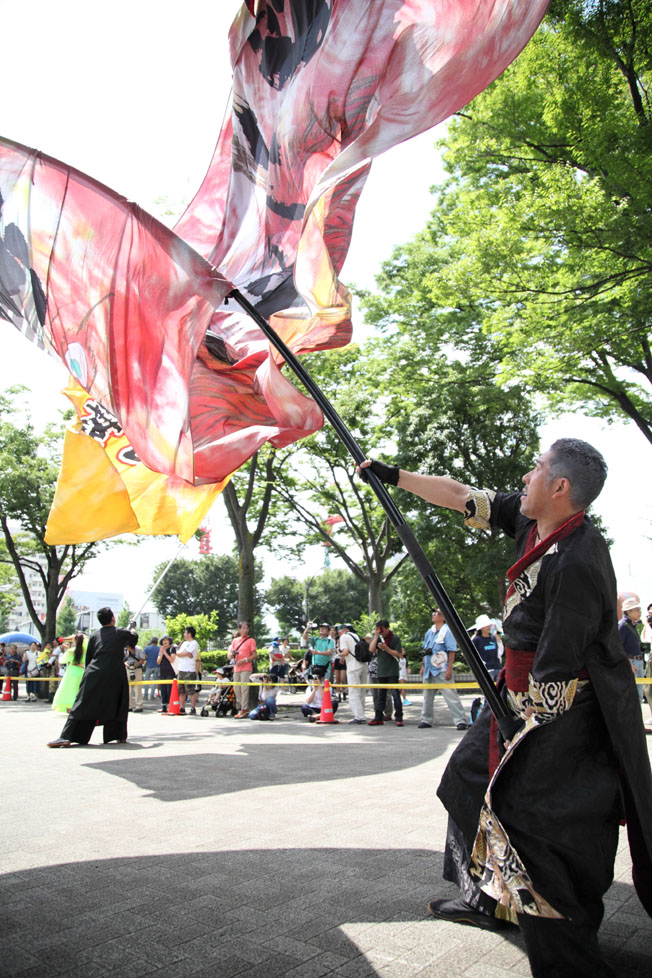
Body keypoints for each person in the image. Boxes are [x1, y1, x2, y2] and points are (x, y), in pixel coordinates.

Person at [360, 440, 652, 978]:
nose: (526, 474)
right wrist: (393, 475)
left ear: (560, 488)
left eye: (537, 468)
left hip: (566, 712)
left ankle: (568, 952)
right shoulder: (530, 518)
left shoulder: (582, 559)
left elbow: (560, 663)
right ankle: (490, 899)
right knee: (469, 775)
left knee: (539, 824)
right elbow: (459, 495)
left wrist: (526, 720)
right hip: (514, 694)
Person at [47, 608, 136, 747]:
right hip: (115, 673)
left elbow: (89, 657)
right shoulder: (121, 631)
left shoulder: (95, 635)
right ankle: (118, 735)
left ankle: (68, 736)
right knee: (118, 702)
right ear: (113, 618)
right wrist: (133, 629)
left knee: (83, 704)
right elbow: (133, 639)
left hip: (94, 671)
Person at [418, 609, 468, 730]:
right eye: (433, 614)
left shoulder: (447, 631)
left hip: (441, 668)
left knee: (451, 695)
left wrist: (449, 668)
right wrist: (423, 665)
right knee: (427, 696)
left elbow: (451, 650)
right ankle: (426, 719)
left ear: (444, 617)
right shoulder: (429, 632)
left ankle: (460, 720)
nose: (434, 615)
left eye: (438, 613)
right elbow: (425, 650)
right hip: (429, 669)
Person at [368, 619, 404, 727]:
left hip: (392, 670)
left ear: (387, 628)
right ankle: (378, 717)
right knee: (381, 695)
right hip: (381, 671)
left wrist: (386, 648)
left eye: (382, 629)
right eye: (378, 629)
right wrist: (375, 636)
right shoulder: (378, 638)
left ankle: (399, 717)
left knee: (395, 694)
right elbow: (371, 649)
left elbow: (398, 654)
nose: (381, 632)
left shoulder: (395, 638)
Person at [338, 622, 367, 724]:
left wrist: (339, 654)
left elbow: (345, 652)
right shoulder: (357, 636)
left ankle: (359, 717)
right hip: (363, 665)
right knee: (362, 692)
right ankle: (362, 713)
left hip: (353, 667)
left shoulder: (344, 637)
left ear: (343, 631)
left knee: (354, 692)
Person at [618, 598, 644, 705]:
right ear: (629, 612)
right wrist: (629, 664)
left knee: (637, 695)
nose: (640, 612)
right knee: (631, 697)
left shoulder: (632, 625)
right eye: (637, 610)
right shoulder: (623, 626)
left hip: (637, 662)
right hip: (631, 663)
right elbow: (618, 647)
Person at [228, 621, 257, 718]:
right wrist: (232, 655)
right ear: (239, 629)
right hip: (236, 667)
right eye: (243, 628)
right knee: (237, 688)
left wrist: (244, 660)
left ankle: (244, 708)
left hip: (246, 667)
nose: (245, 630)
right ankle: (241, 707)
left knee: (244, 688)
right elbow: (230, 655)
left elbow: (254, 655)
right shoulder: (235, 641)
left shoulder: (251, 640)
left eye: (247, 628)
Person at [52, 634, 85, 714]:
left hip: (72, 671)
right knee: (79, 690)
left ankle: (70, 709)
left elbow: (62, 660)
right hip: (82, 671)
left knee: (69, 690)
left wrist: (66, 650)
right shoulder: (85, 650)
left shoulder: (71, 651)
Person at [176, 626, 200, 715]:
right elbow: (179, 653)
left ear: (189, 634)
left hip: (189, 670)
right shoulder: (184, 643)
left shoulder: (194, 643)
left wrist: (184, 653)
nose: (184, 634)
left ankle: (193, 707)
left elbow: (187, 653)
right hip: (181, 669)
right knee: (181, 690)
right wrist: (183, 654)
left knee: (191, 690)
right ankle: (182, 707)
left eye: (185, 633)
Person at [156, 636, 176, 713]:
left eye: (167, 640)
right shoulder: (160, 650)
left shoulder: (172, 649)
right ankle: (164, 706)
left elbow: (172, 659)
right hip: (162, 672)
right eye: (163, 640)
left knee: (169, 690)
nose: (165, 642)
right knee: (163, 690)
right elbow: (158, 662)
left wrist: (165, 653)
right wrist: (161, 653)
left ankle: (171, 707)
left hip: (170, 672)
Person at [142, 636, 160, 701]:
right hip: (157, 666)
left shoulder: (147, 648)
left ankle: (145, 696)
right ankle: (152, 696)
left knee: (146, 681)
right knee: (154, 681)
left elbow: (144, 656)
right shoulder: (159, 649)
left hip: (149, 666)